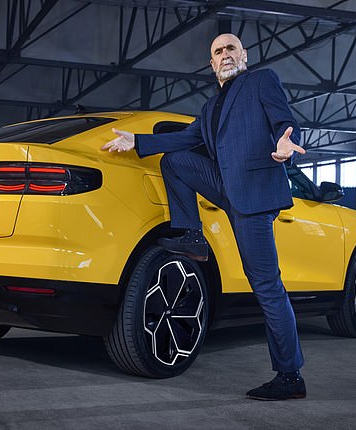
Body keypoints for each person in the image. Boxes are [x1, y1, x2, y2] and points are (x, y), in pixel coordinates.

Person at [101, 33, 307, 401]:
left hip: (254, 194)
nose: (225, 54)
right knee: (176, 161)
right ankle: (192, 237)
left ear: (243, 55)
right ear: (212, 64)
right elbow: (184, 140)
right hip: (225, 187)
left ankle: (290, 376)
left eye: (231, 48)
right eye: (218, 51)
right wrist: (137, 142)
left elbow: (283, 120)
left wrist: (285, 144)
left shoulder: (261, 80)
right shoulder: (211, 108)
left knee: (267, 287)